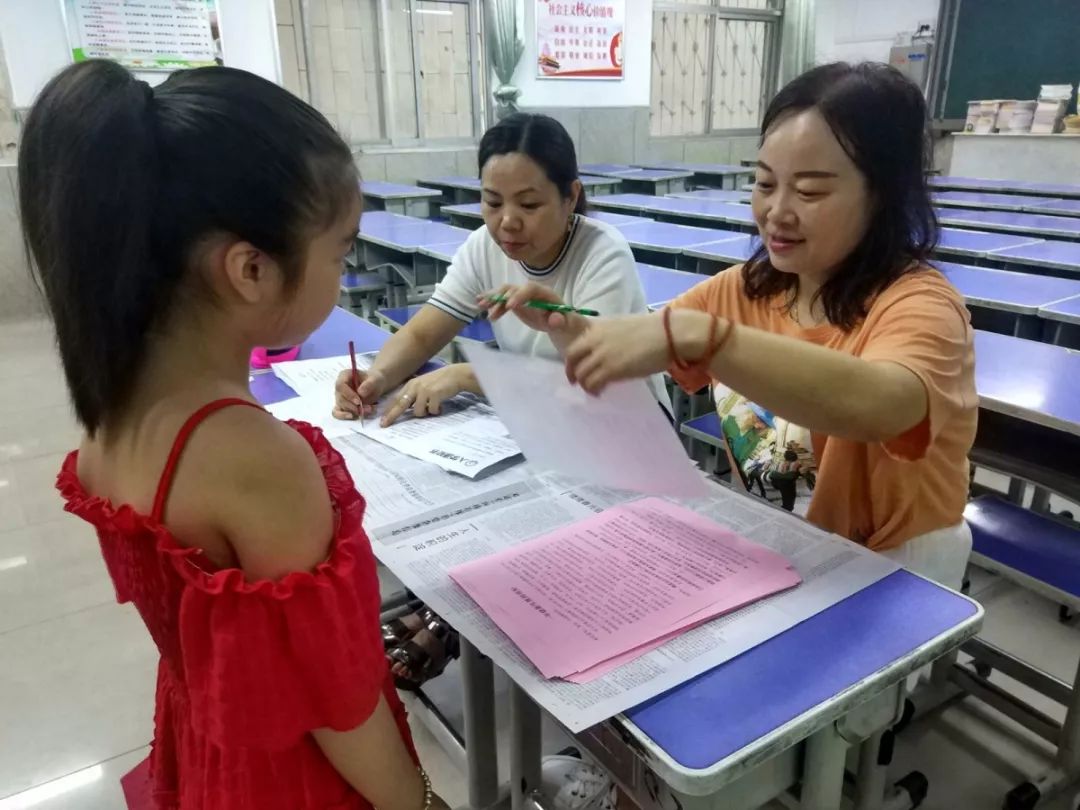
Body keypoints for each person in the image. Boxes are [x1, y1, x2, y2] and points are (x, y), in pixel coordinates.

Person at [22, 60, 445, 810]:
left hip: (208, 742)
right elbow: (339, 707)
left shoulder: (109, 413)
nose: (345, 273)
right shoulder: (255, 460)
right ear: (251, 268)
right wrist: (417, 801)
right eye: (341, 252)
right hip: (287, 776)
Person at [488, 62, 977, 591]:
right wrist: (564, 328)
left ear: (882, 195)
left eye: (810, 192)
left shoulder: (920, 305)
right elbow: (633, 353)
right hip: (789, 537)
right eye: (764, 184)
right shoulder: (744, 289)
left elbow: (886, 405)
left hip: (895, 564)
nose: (776, 212)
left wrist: (711, 339)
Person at [333, 112, 668, 687]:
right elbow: (424, 331)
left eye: (530, 204)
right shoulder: (483, 249)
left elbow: (592, 376)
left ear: (571, 198)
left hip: (624, 431)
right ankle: (442, 613)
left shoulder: (601, 255)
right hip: (537, 420)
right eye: (492, 202)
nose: (507, 223)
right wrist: (373, 380)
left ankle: (442, 621)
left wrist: (470, 376)